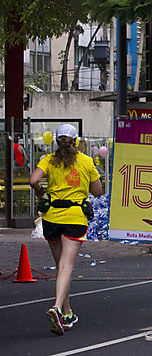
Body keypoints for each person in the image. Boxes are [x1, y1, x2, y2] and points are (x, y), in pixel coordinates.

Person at [29, 124, 102, 335]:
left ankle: (67, 313)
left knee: (61, 267)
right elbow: (97, 191)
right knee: (66, 267)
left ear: (56, 141)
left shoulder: (48, 160)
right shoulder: (86, 161)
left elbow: (33, 179)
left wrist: (41, 191)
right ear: (76, 141)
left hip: (51, 217)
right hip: (75, 217)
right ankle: (57, 307)